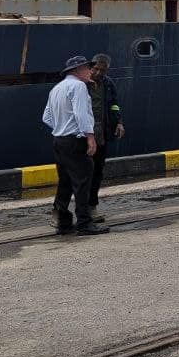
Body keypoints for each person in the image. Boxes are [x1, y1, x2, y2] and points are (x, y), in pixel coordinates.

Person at [42, 55, 109, 235]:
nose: (91, 71)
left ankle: (63, 222)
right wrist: (90, 137)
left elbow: (46, 117)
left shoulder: (57, 88)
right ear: (78, 70)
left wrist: (61, 127)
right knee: (83, 181)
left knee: (65, 181)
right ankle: (84, 223)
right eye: (88, 68)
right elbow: (81, 114)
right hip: (75, 141)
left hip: (59, 141)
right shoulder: (79, 86)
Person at [87, 53, 125, 220]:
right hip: (83, 135)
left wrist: (119, 122)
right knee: (82, 174)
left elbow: (114, 104)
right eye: (96, 69)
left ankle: (92, 206)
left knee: (97, 172)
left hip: (101, 134)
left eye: (103, 71)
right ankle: (68, 211)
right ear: (91, 66)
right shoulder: (82, 85)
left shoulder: (108, 84)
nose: (98, 73)